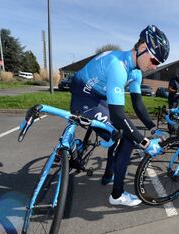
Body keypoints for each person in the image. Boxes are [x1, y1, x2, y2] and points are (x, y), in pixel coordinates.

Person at [69, 25, 170, 207]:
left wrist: (152, 128)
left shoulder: (136, 72)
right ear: (141, 48)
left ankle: (109, 174)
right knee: (126, 137)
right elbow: (117, 115)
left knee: (122, 134)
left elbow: (138, 104)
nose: (154, 66)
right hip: (83, 95)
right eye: (154, 60)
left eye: (158, 63)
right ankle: (116, 195)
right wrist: (145, 142)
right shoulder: (118, 66)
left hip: (100, 96)